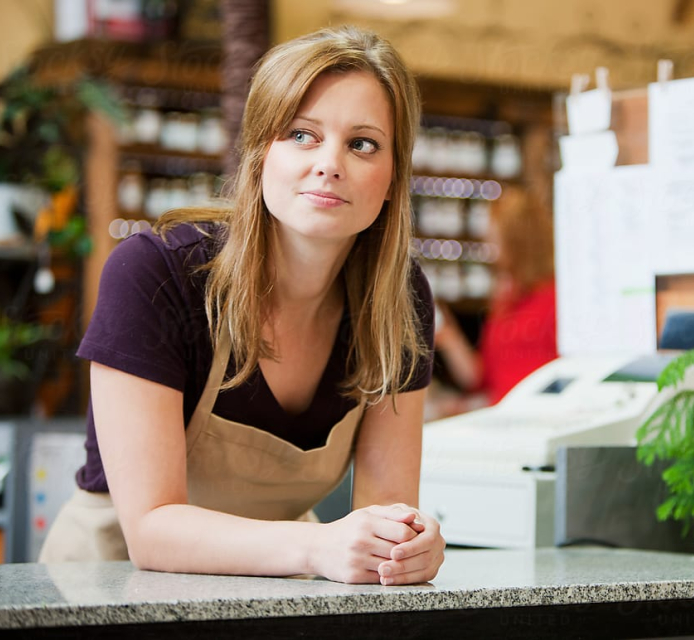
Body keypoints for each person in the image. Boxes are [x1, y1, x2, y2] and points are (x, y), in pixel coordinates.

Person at [39, 26, 445, 586]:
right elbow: (152, 529)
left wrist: (405, 547)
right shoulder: (156, 275)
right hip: (105, 590)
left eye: (363, 143)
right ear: (259, 153)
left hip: (269, 591)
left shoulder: (400, 300)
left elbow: (388, 516)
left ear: (394, 175)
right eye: (302, 135)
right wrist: (317, 547)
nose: (329, 163)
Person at [434, 187, 557, 406]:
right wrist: (448, 337)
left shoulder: (554, 300)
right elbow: (483, 379)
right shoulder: (506, 299)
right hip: (504, 421)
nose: (490, 252)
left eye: (495, 242)